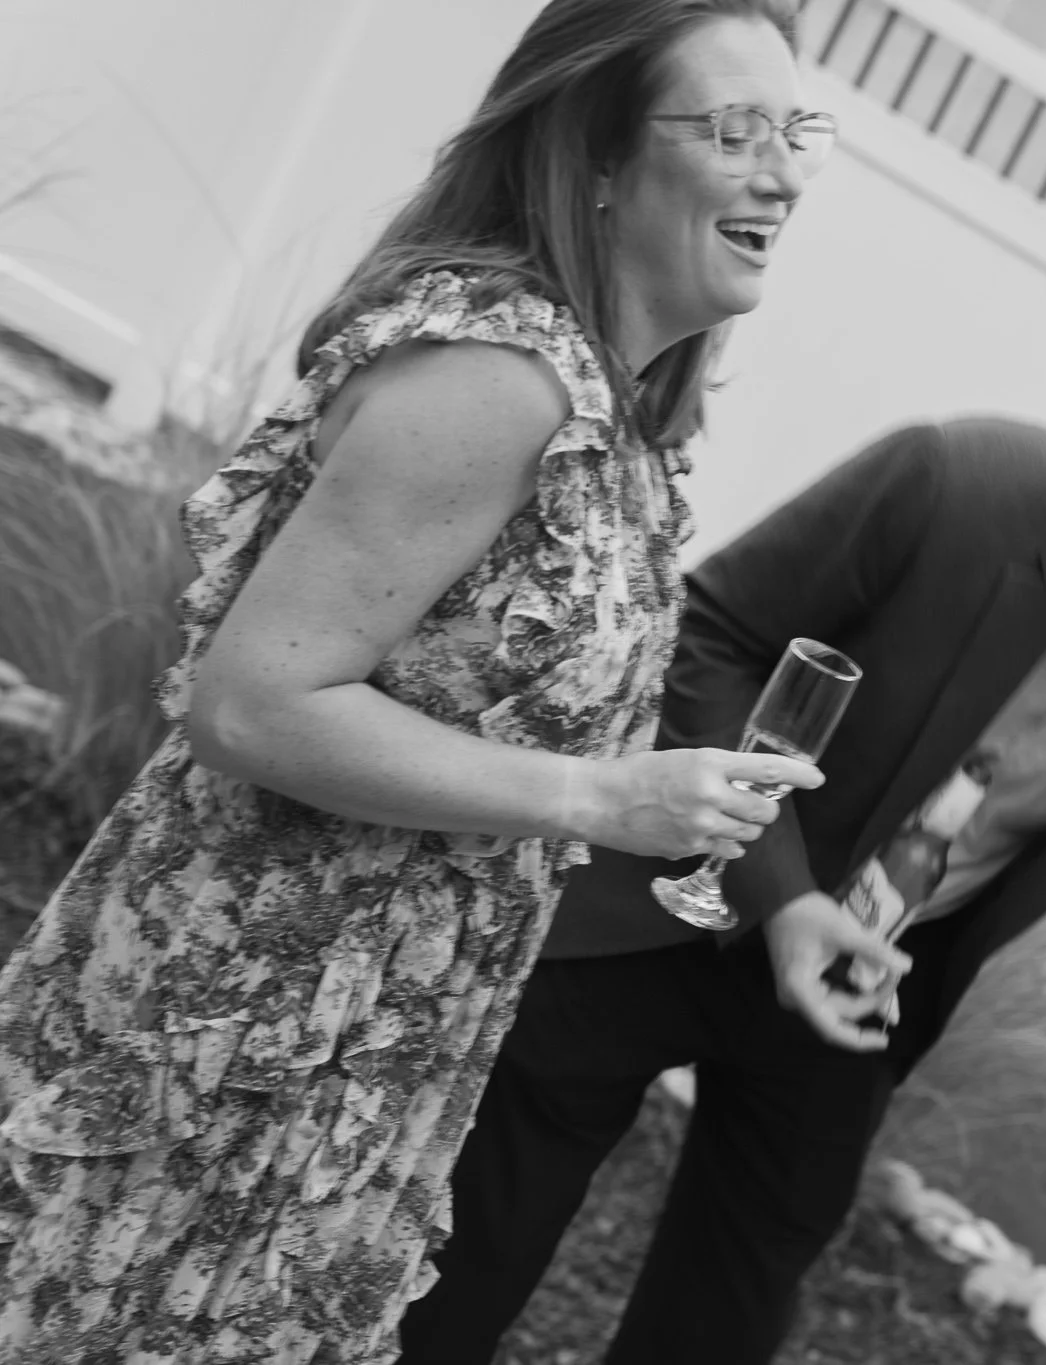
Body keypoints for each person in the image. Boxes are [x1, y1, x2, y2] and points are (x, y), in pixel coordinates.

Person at [0, 2, 831, 1359]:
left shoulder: (623, 416)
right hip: (229, 1041)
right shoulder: (497, 376)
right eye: (735, 129)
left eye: (797, 131)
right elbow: (254, 700)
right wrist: (597, 796)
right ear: (602, 154)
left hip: (366, 1054)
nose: (784, 170)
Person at [396, 416, 1046, 1364]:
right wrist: (783, 894)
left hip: (863, 992)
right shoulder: (961, 484)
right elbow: (711, 633)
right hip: (672, 907)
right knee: (478, 1243)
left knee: (731, 1305)